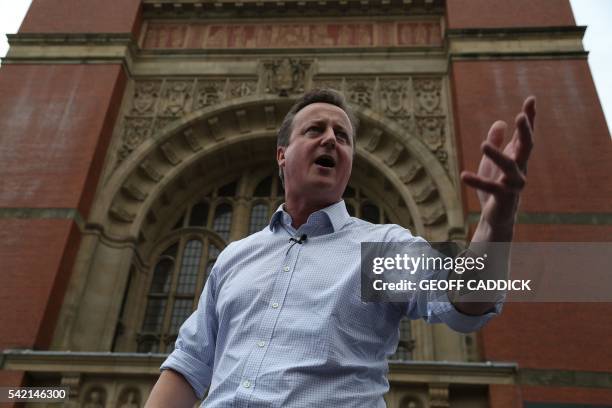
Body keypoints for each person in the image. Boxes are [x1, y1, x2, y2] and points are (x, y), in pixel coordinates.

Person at [145, 89, 535, 407]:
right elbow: (190, 365)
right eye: (315, 129)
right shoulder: (235, 257)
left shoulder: (376, 251)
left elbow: (462, 296)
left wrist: (495, 222)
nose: (330, 138)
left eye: (342, 136)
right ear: (282, 154)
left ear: (348, 161)